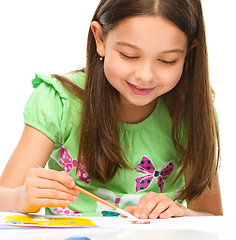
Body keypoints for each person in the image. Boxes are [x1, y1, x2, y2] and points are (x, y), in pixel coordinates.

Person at [0, 0, 223, 219]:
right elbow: (3, 198)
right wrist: (21, 198)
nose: (145, 75)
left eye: (167, 60)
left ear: (189, 52)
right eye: (129, 55)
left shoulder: (192, 113)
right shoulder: (59, 101)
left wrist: (183, 213)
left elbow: (212, 216)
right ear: (100, 39)